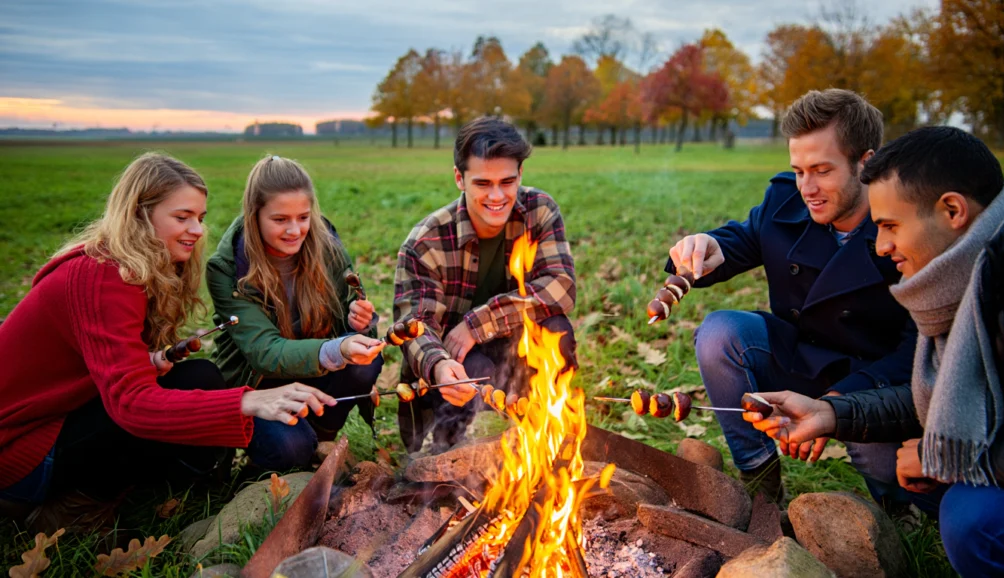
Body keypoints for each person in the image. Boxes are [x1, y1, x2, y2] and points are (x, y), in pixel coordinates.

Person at [0, 153, 334, 532]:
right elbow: (129, 402)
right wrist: (248, 399)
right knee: (189, 388)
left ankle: (152, 488)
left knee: (198, 375)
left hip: (58, 422)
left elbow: (92, 364)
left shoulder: (123, 267)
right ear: (140, 215)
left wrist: (145, 360)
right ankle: (67, 512)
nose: (196, 229)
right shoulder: (102, 276)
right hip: (18, 455)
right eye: (182, 217)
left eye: (200, 218)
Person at [744, 126, 1004, 576]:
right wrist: (829, 414)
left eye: (891, 226)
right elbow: (926, 398)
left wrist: (964, 463)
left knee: (972, 518)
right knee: (915, 476)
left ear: (952, 209)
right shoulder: (967, 279)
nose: (881, 245)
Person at [665, 89, 917, 504]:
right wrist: (708, 245)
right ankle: (760, 485)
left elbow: (918, 351)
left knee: (898, 483)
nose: (807, 188)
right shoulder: (786, 198)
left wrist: (835, 407)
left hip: (875, 384)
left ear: (866, 163)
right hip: (800, 357)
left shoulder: (906, 226)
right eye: (799, 170)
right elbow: (747, 237)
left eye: (821, 170)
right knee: (720, 333)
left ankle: (894, 517)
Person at [393, 117, 577, 452]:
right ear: (459, 178)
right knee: (471, 368)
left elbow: (561, 287)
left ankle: (546, 439)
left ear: (520, 174)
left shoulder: (539, 212)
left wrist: (477, 324)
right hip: (459, 364)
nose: (497, 196)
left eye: (507, 181)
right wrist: (438, 364)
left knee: (557, 329)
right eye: (483, 183)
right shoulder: (426, 242)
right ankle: (447, 454)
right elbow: (414, 327)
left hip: (518, 348)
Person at [207, 155, 385, 470]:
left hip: (314, 369)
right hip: (259, 385)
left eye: (303, 217)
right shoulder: (228, 269)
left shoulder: (325, 245)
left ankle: (322, 436)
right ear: (254, 215)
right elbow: (264, 353)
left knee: (365, 362)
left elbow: (353, 321)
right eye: (280, 220)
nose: (295, 230)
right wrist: (339, 348)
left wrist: (360, 322)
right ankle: (280, 453)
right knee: (290, 449)